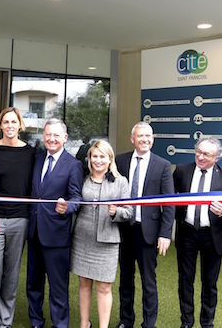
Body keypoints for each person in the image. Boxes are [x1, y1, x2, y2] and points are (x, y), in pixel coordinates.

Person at [173, 137, 222, 328]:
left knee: (209, 283)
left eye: (206, 154)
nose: (200, 157)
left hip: (213, 237)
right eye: (198, 151)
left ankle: (207, 323)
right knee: (185, 280)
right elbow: (170, 199)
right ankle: (186, 322)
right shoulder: (182, 170)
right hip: (186, 233)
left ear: (216, 158)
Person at [115, 122, 175, 328]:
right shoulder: (120, 161)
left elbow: (168, 203)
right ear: (132, 139)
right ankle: (126, 320)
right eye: (140, 136)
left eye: (148, 136)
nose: (145, 140)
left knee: (148, 280)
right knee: (125, 278)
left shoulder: (163, 165)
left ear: (153, 139)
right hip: (124, 228)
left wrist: (165, 234)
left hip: (148, 231)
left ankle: (149, 324)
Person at [27, 118, 83, 328]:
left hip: (57, 235)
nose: (51, 139)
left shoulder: (74, 165)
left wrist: (67, 206)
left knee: (58, 286)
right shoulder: (37, 159)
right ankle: (36, 321)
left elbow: (76, 197)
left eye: (56, 135)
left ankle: (60, 324)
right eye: (48, 134)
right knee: (33, 283)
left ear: (65, 138)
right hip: (34, 232)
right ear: (43, 136)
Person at [0, 107, 35, 328]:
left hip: (20, 219)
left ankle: (5, 322)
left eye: (14, 122)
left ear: (20, 125)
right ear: (0, 125)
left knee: (12, 272)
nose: (10, 126)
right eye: (6, 122)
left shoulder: (31, 153)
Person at [71, 140, 132, 328]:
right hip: (82, 238)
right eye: (94, 156)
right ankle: (84, 323)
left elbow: (129, 212)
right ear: (89, 158)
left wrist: (116, 212)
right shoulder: (81, 178)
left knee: (104, 287)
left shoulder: (121, 181)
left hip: (108, 242)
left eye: (102, 156)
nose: (98, 160)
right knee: (83, 282)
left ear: (110, 159)